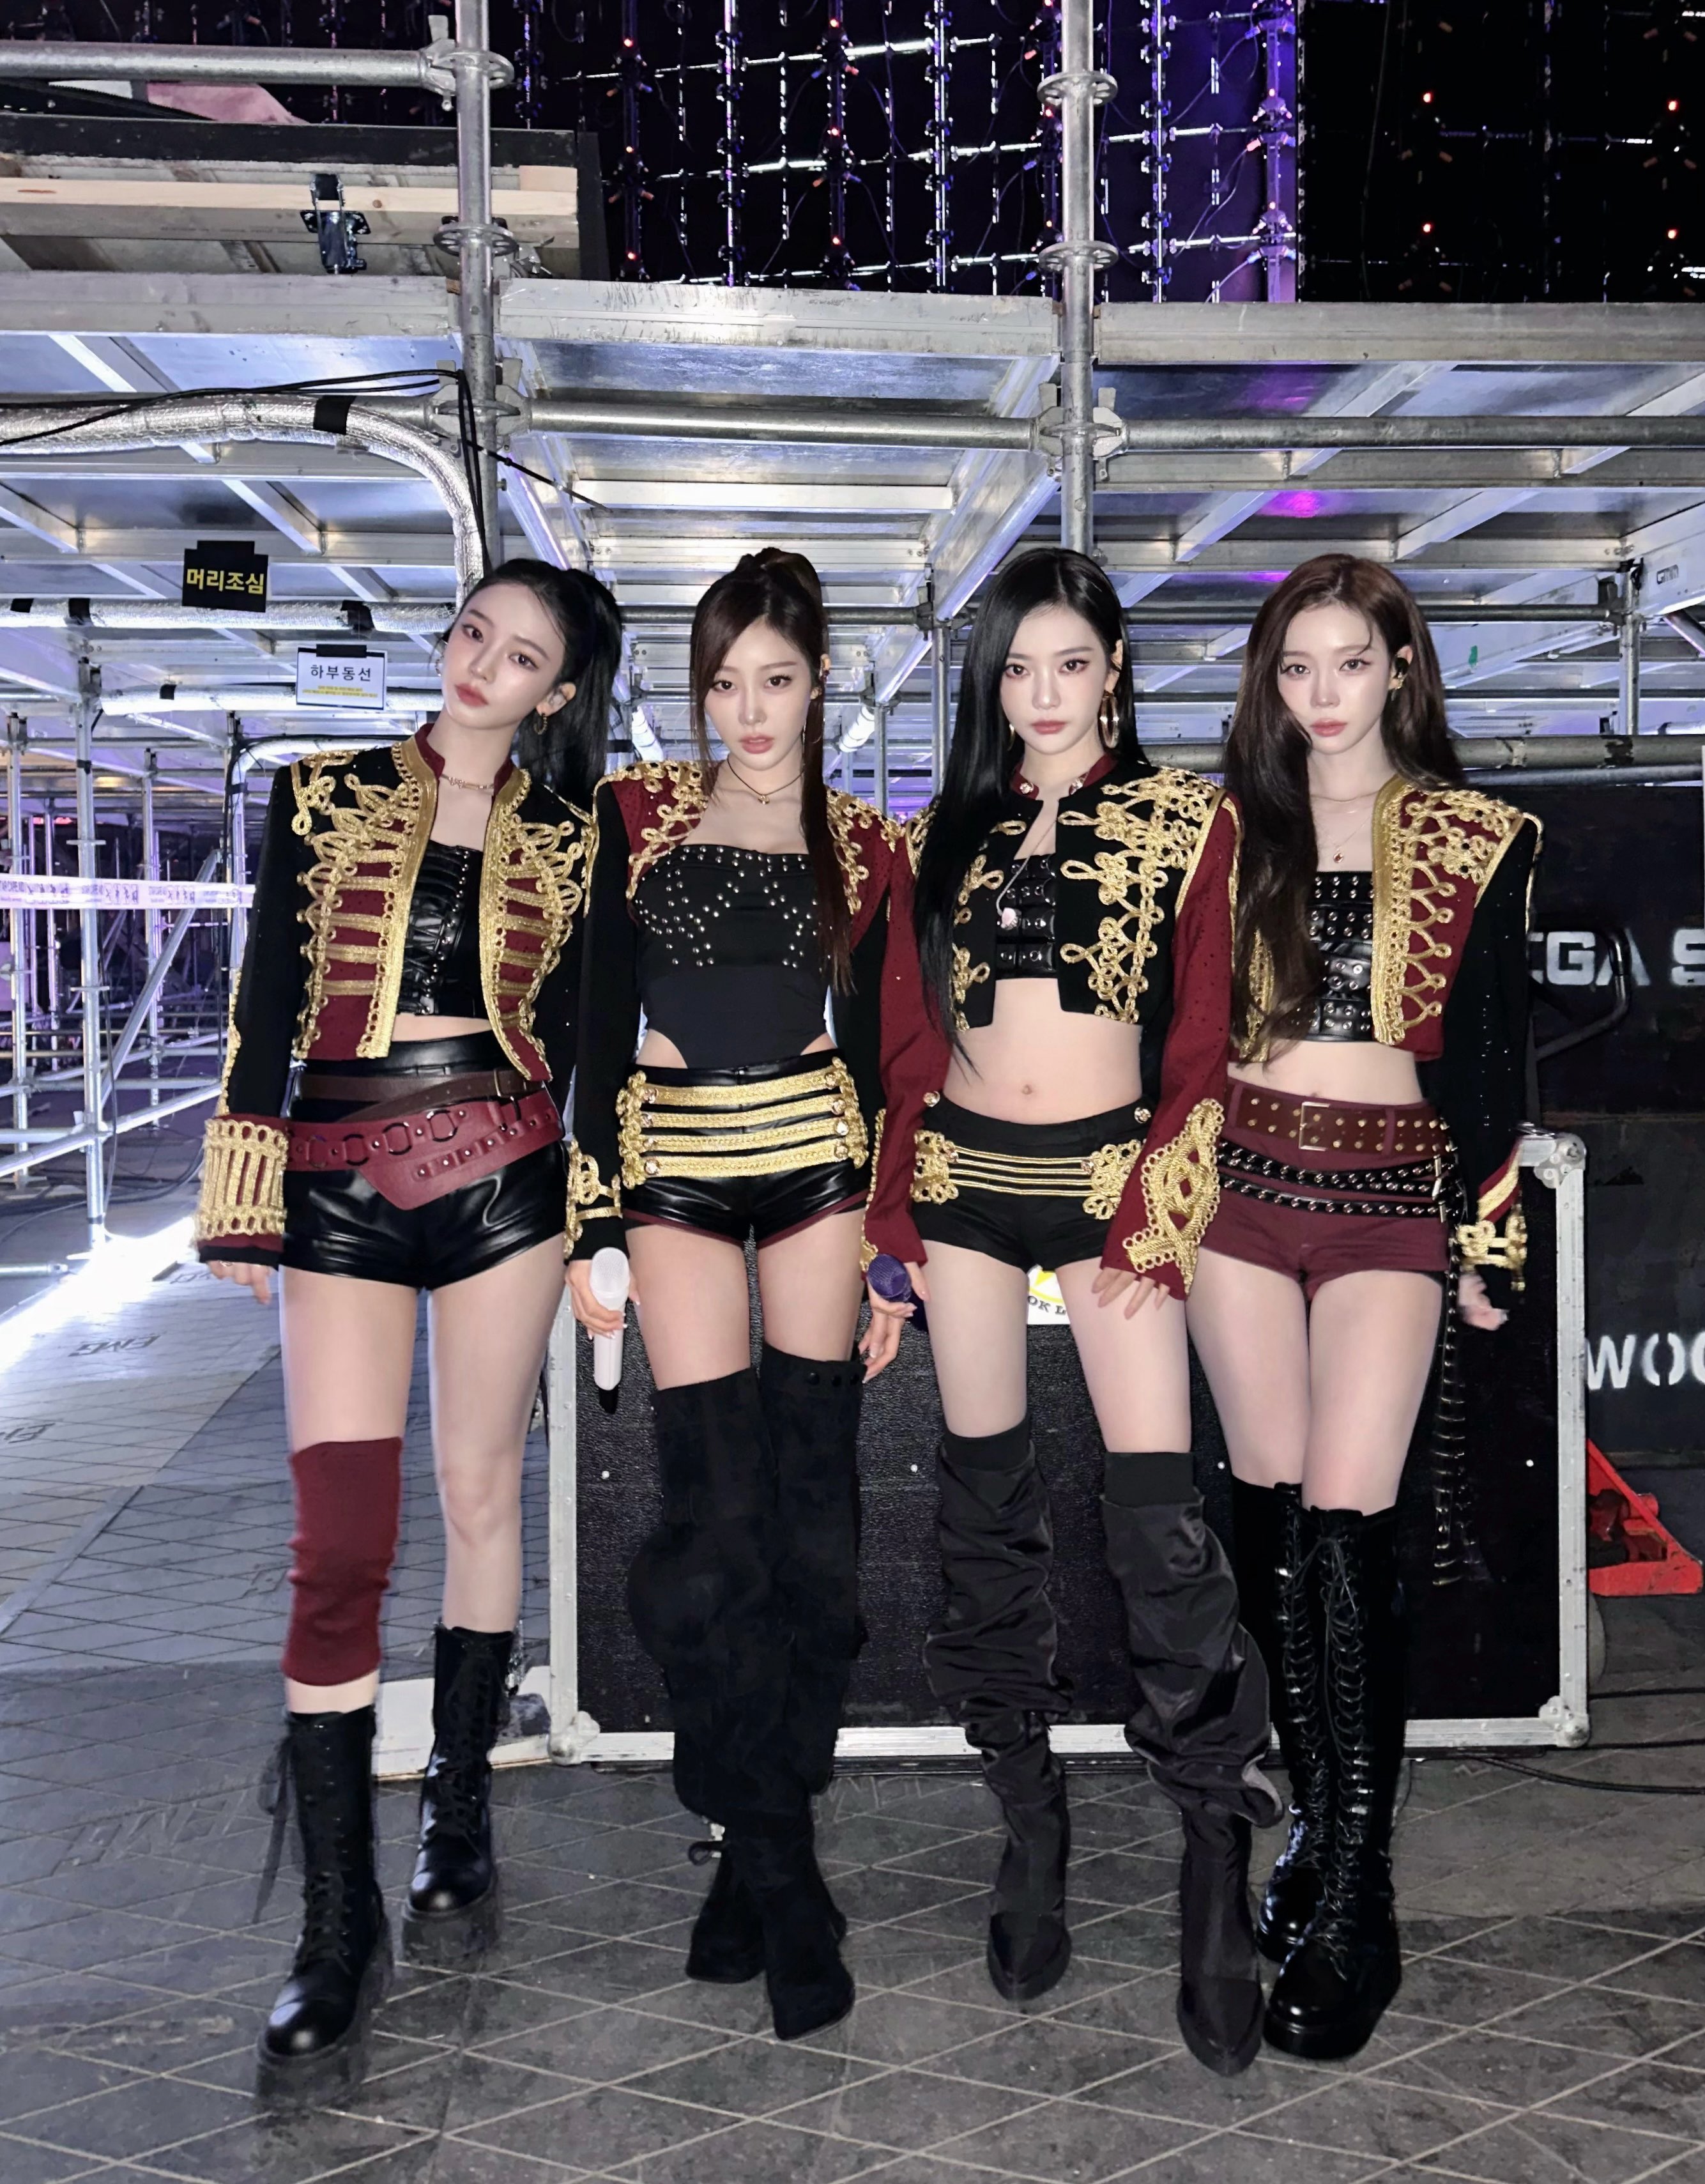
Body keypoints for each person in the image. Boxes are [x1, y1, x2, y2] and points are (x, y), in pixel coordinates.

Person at [197, 560, 622, 2099]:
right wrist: (243, 1187)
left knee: (482, 1493)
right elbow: (265, 994)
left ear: (555, 692)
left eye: (518, 655)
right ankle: (335, 1919)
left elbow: (588, 1040)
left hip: (505, 1170)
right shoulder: (316, 792)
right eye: (470, 632)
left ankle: (458, 1803)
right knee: (341, 1539)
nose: (480, 664)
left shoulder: (578, 836)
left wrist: (600, 1213)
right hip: (337, 1176)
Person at [864, 546, 1278, 2077]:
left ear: (1115, 669)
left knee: (1159, 1521)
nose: (1043, 693)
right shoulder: (940, 832)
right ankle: (1027, 1817)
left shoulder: (1190, 818)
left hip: (1115, 1180)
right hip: (966, 1180)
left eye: (1071, 663)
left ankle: (1213, 1850)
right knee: (985, 1512)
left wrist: (1161, 1197)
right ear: (992, 681)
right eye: (1018, 668)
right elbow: (901, 1041)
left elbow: (1209, 1034)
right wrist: (890, 1227)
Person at [1189, 553, 1538, 2063]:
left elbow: (1496, 1056)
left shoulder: (1473, 835)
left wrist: (1485, 1242)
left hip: (1391, 1196)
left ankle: (1358, 1900)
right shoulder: (1225, 831)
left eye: (1349, 661)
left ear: (1400, 664)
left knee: (1349, 1532)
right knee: (1272, 1532)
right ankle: (1322, 1841)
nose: (1322, 692)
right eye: (1296, 665)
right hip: (1238, 1192)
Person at [565, 548, 898, 2043]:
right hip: (674, 1168)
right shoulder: (634, 813)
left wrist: (890, 1248)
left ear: (820, 682)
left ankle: (765, 1856)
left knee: (813, 1518)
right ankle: (778, 1865)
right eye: (722, 683)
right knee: (710, 1525)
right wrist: (591, 1223)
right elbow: (592, 1024)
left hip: (819, 1158)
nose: (749, 710)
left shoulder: (866, 840)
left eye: (775, 679)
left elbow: (885, 1051)